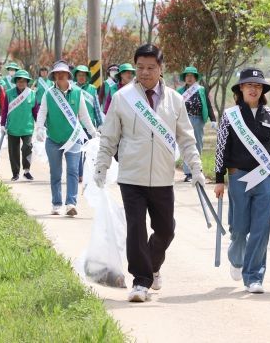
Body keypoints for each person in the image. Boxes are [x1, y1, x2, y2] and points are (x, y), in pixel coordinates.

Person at [95, 44, 204, 303]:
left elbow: (186, 139)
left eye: (151, 68)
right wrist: (101, 166)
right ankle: (140, 281)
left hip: (163, 176)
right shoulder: (122, 98)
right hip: (131, 176)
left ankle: (153, 265)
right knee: (136, 229)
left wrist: (196, 167)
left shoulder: (175, 100)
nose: (144, 73)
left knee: (166, 230)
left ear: (161, 68)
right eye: (140, 67)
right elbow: (109, 136)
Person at [213, 68, 270, 294]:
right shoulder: (230, 115)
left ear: (262, 90)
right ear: (241, 88)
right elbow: (221, 148)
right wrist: (219, 179)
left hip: (265, 177)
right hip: (238, 176)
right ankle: (237, 259)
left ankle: (254, 276)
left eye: (258, 86)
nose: (254, 89)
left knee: (261, 228)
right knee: (239, 228)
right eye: (249, 85)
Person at [34, 61, 97, 217]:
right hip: (53, 139)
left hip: (73, 139)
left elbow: (84, 115)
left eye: (63, 73)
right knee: (56, 173)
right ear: (54, 76)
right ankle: (56, 204)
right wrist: (39, 128)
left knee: (73, 170)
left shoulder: (77, 93)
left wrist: (93, 132)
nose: (60, 75)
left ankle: (71, 204)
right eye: (57, 73)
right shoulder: (49, 93)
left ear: (68, 75)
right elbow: (42, 112)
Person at [177, 66, 217, 182]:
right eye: (187, 76)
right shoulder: (180, 92)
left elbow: (208, 105)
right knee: (186, 145)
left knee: (197, 144)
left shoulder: (201, 90)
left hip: (198, 120)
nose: (189, 78)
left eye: (192, 76)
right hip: (184, 121)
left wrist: (213, 119)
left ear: (195, 77)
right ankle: (188, 173)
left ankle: (197, 169)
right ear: (185, 78)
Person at [1, 69, 36, 182]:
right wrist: (2, 124)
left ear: (27, 82)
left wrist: (41, 125)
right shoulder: (9, 93)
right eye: (19, 81)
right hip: (13, 127)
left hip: (27, 127)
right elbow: (5, 110)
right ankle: (15, 173)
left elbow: (35, 111)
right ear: (16, 82)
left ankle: (26, 171)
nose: (21, 83)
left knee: (27, 148)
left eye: (24, 81)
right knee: (13, 151)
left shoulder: (32, 94)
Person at [73, 64, 104, 184]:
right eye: (79, 75)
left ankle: (86, 174)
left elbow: (96, 107)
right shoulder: (72, 88)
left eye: (83, 75)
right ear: (76, 76)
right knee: (77, 151)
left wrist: (100, 123)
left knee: (88, 151)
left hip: (88, 125)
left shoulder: (92, 89)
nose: (81, 77)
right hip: (75, 126)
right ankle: (79, 174)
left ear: (87, 77)